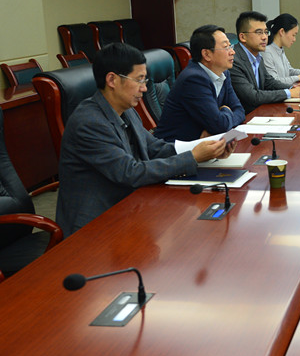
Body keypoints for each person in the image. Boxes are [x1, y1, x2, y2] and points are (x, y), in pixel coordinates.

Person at [56, 43, 229, 237]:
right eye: (139, 80)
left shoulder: (126, 110)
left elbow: (154, 148)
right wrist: (193, 157)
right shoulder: (89, 122)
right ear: (112, 80)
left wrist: (207, 149)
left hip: (130, 207)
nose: (145, 88)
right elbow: (130, 172)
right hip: (95, 226)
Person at [154, 25, 246, 142]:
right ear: (207, 54)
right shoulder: (193, 79)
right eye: (226, 47)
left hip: (205, 143)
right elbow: (220, 125)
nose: (232, 52)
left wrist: (221, 119)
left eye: (230, 46)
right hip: (176, 148)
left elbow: (240, 111)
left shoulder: (223, 73)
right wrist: (226, 110)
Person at [229, 11, 300, 113]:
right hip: (246, 117)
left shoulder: (257, 56)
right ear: (243, 37)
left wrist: (292, 87)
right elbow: (253, 97)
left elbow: (269, 82)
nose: (265, 37)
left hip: (260, 112)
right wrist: (289, 92)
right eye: (259, 32)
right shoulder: (233, 60)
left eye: (266, 32)